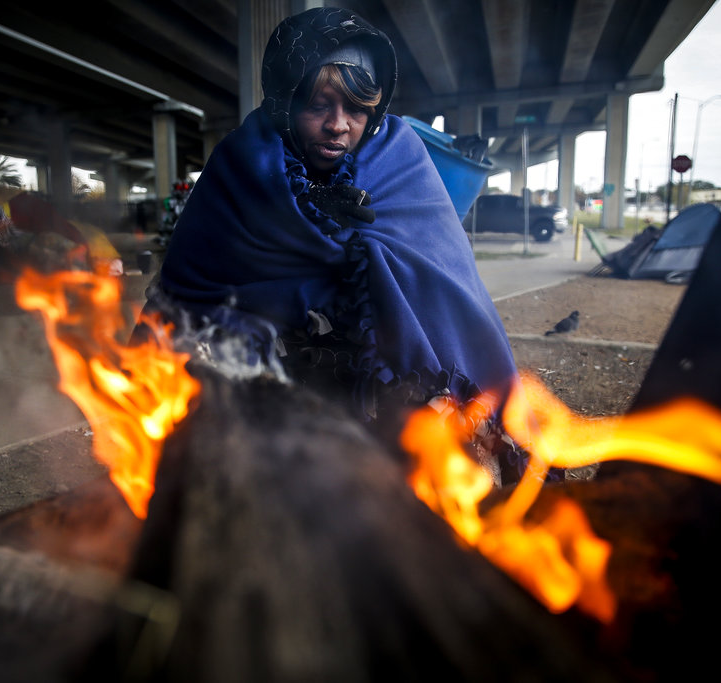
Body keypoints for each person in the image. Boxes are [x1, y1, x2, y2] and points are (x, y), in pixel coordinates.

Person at [138, 7, 534, 480]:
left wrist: (354, 241)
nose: (338, 125)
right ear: (285, 101)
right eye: (318, 105)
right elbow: (192, 285)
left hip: (374, 375)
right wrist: (308, 208)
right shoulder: (241, 162)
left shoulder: (399, 155)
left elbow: (440, 277)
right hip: (272, 382)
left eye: (357, 109)